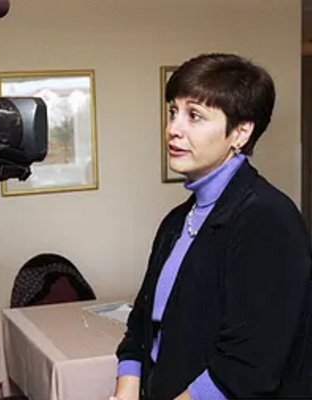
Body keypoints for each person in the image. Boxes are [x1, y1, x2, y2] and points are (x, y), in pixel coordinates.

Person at [111, 53, 312, 400]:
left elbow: (248, 368)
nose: (174, 128)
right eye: (173, 111)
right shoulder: (177, 221)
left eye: (195, 116)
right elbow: (140, 325)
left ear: (241, 132)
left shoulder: (268, 220)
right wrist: (125, 390)